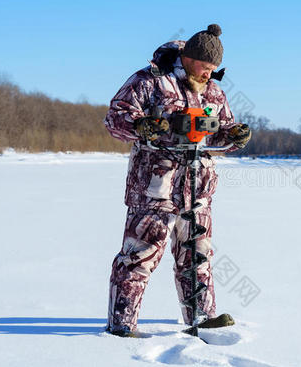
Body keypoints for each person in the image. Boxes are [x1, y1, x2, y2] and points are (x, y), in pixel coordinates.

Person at [103, 23, 251, 337]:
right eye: (205, 66)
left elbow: (220, 132)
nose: (209, 73)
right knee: (139, 256)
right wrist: (141, 126)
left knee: (197, 255)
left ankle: (201, 318)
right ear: (189, 57)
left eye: (214, 68)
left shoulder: (213, 91)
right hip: (155, 188)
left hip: (197, 189)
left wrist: (234, 136)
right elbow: (114, 118)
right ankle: (121, 323)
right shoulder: (149, 80)